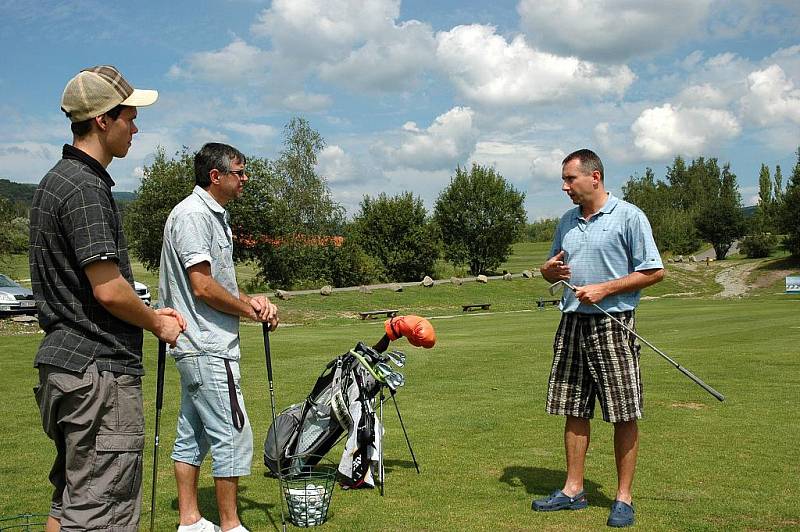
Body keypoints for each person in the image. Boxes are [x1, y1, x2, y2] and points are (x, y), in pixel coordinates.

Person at [29, 65, 186, 532]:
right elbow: (109, 289)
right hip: (98, 375)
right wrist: (158, 323)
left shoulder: (52, 183)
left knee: (70, 500)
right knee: (103, 514)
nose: (135, 127)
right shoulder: (86, 188)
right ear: (102, 120)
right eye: (129, 117)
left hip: (63, 371)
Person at [534, 149, 664, 528]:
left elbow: (654, 271)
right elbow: (552, 272)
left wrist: (605, 289)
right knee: (574, 408)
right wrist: (547, 271)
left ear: (595, 177)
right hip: (572, 324)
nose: (564, 187)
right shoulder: (567, 222)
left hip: (614, 324)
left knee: (624, 411)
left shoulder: (629, 216)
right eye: (564, 180)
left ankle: (623, 498)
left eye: (570, 179)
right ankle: (573, 489)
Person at [159, 142, 279, 532]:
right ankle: (230, 525)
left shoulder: (215, 215)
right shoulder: (194, 215)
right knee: (233, 432)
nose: (245, 179)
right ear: (217, 176)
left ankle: (190, 520)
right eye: (239, 172)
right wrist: (248, 311)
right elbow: (202, 287)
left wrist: (252, 303)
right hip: (207, 346)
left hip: (199, 345)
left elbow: (220, 285)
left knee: (192, 436)